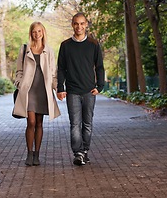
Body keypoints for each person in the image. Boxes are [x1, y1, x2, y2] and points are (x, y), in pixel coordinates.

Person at [57, 13, 105, 166]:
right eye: (76, 23)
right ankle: (78, 153)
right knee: (75, 124)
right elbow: (61, 69)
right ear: (72, 24)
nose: (79, 27)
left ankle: (84, 151)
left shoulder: (93, 44)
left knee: (87, 124)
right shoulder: (65, 45)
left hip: (89, 91)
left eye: (82, 23)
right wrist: (60, 87)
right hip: (72, 91)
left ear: (86, 25)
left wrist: (100, 86)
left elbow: (99, 67)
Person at [13, 21, 60, 166]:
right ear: (31, 33)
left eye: (39, 31)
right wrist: (19, 84)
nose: (37, 34)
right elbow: (19, 70)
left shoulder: (49, 50)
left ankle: (37, 154)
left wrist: (57, 88)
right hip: (29, 90)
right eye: (34, 31)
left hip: (43, 91)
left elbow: (53, 72)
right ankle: (29, 153)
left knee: (39, 123)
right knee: (31, 122)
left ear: (43, 32)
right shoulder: (25, 49)